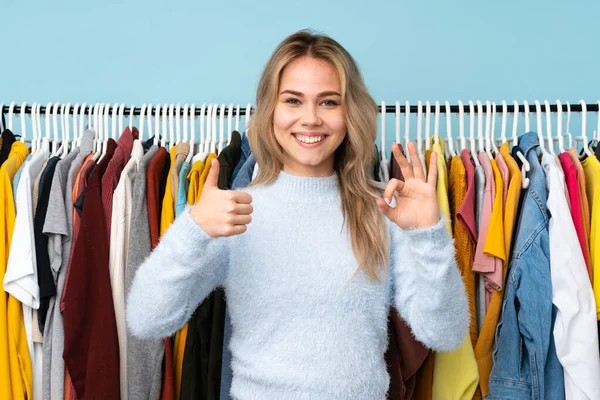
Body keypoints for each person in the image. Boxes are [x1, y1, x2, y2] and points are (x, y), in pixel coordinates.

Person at [126, 30, 468, 399]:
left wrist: (427, 235)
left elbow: (444, 333)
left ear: (350, 112)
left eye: (328, 102)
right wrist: (192, 230)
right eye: (293, 100)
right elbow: (147, 319)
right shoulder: (235, 212)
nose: (310, 119)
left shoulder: (383, 211)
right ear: (270, 109)